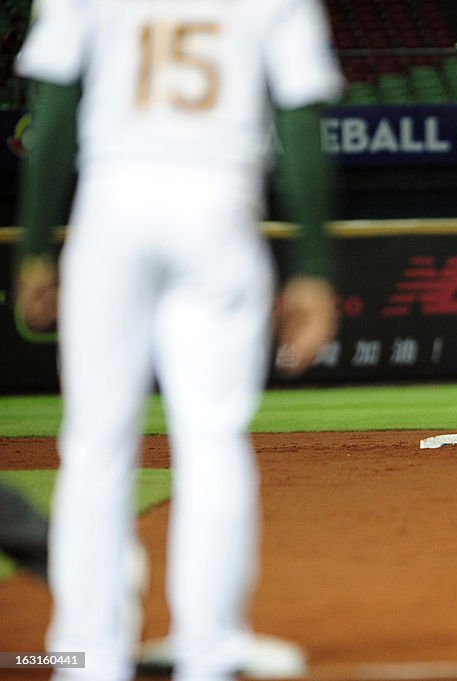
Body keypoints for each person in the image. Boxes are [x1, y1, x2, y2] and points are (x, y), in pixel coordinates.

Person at [14, 0, 342, 679]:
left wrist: (37, 245)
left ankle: (86, 655)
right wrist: (313, 266)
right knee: (214, 438)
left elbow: (50, 115)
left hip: (112, 203)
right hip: (218, 203)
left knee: (95, 442)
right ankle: (210, 645)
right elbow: (301, 120)